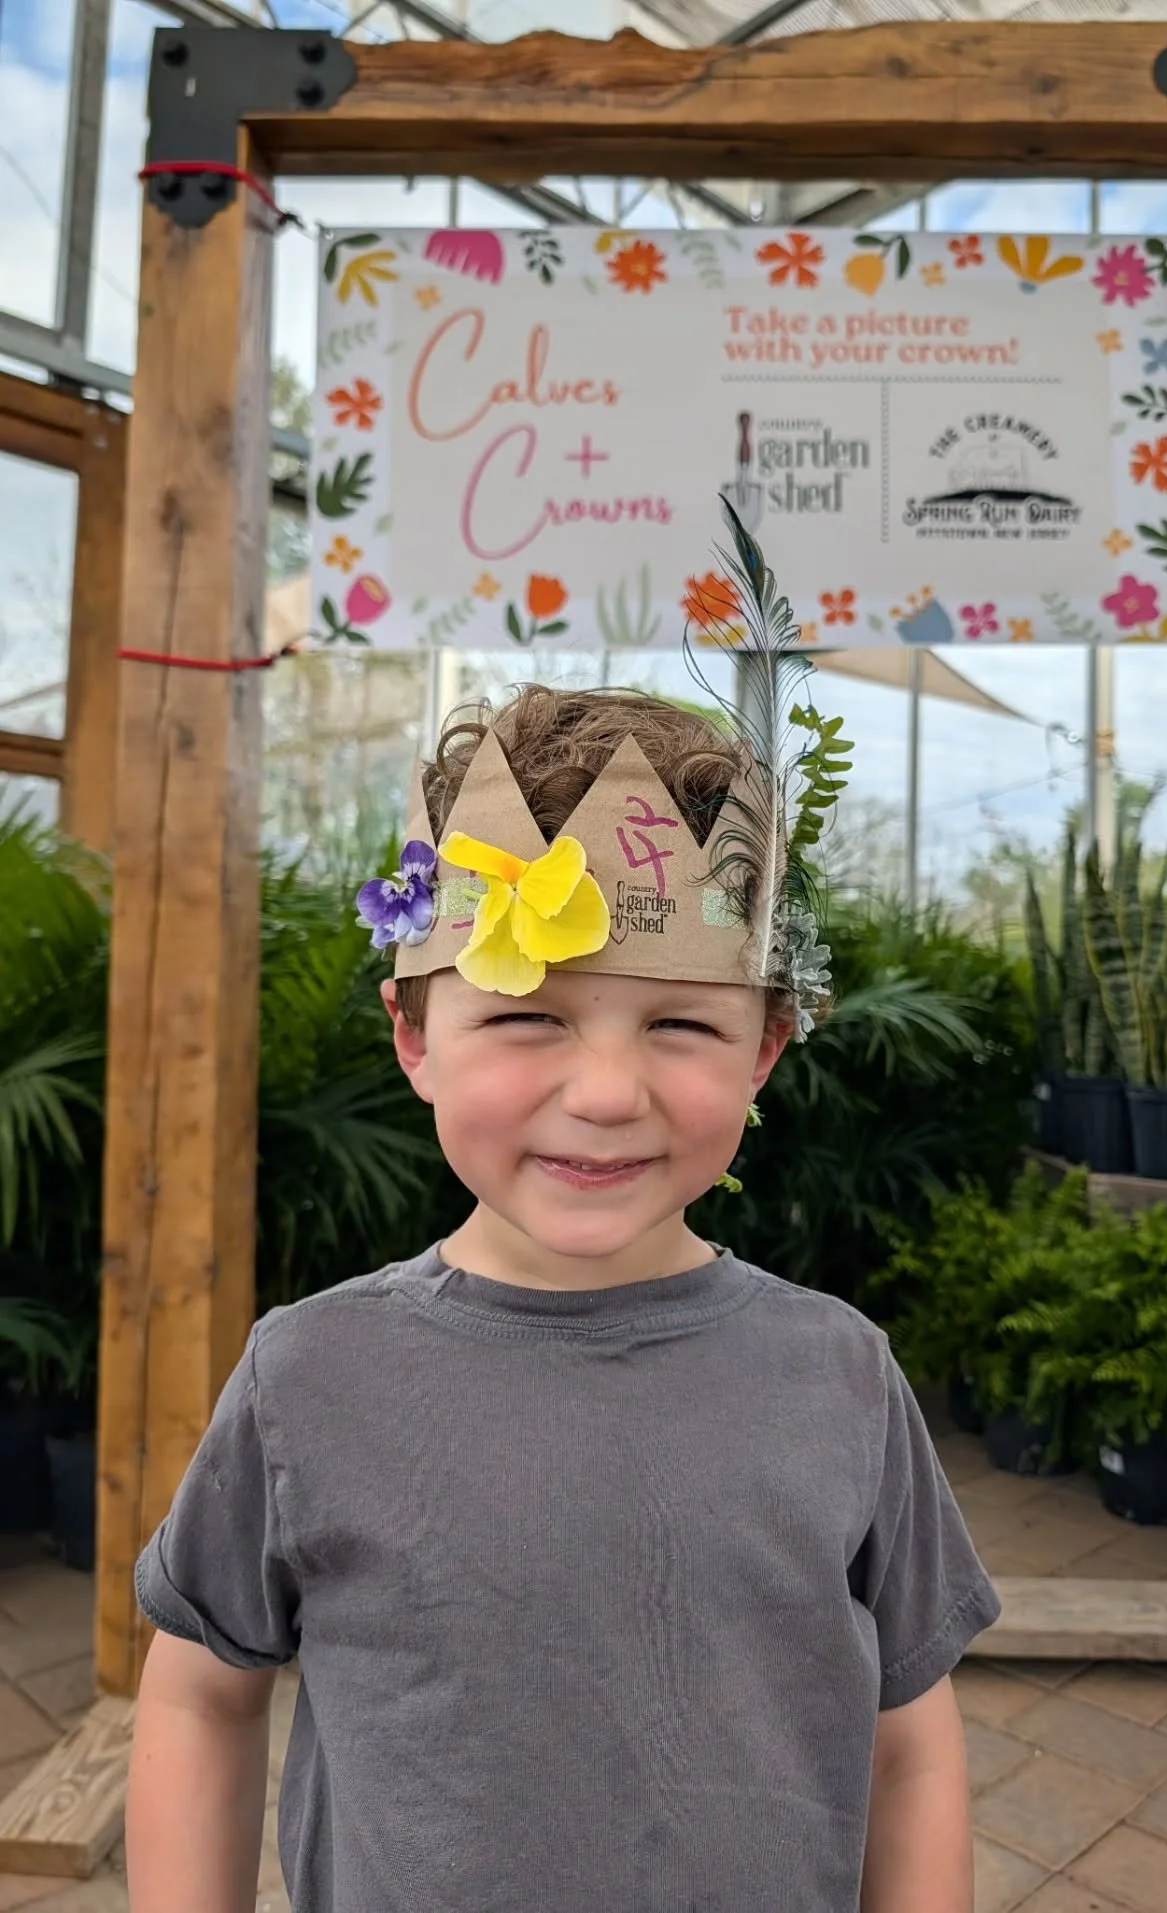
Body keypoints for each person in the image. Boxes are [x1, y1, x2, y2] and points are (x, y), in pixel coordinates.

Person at [125, 524, 1000, 1913]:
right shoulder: (309, 1378)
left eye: (681, 1024)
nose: (605, 1092)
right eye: (528, 1016)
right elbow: (199, 1700)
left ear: (765, 1051)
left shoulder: (840, 1374)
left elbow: (912, 1740)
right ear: (415, 1038)